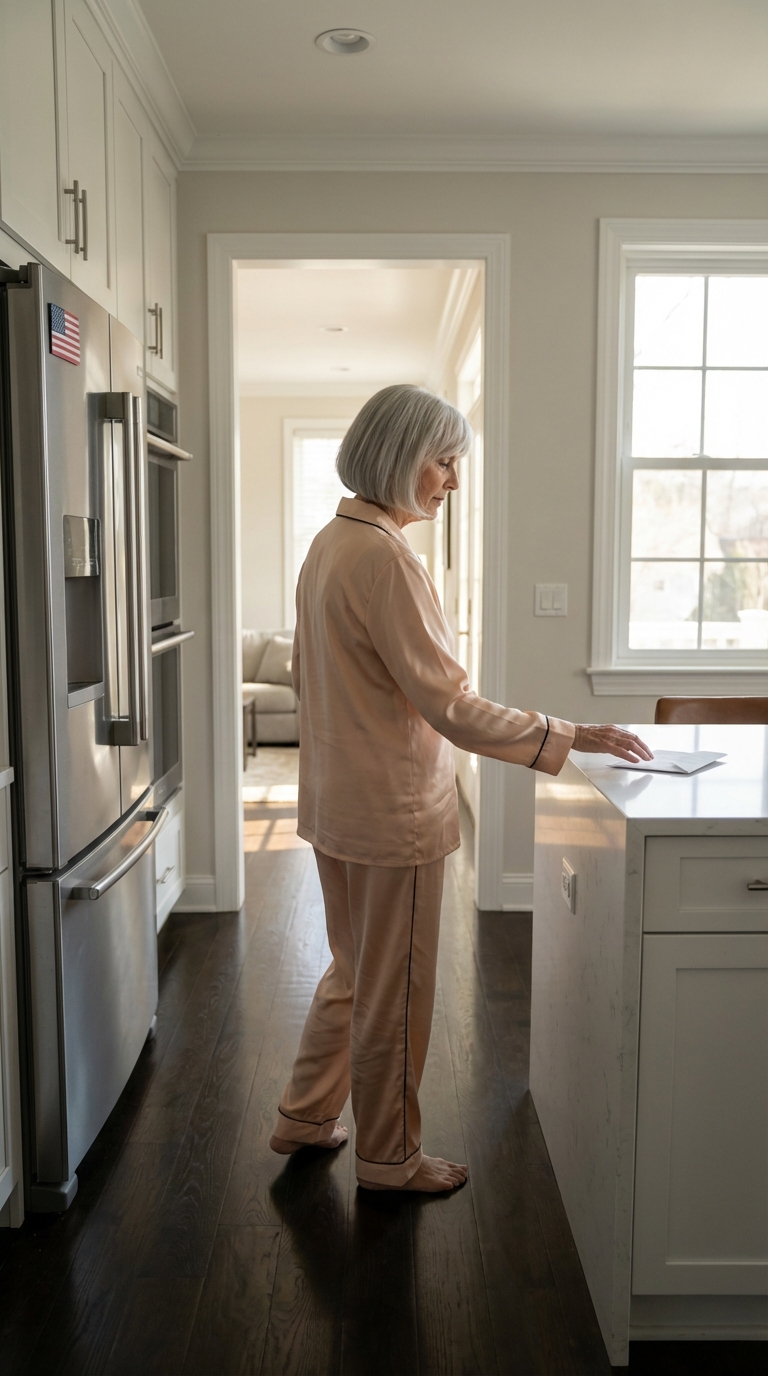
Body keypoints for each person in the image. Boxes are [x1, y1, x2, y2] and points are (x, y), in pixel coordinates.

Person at [270, 384, 652, 1193]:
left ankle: (304, 1115)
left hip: (336, 803)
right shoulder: (387, 560)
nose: (451, 478)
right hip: (393, 813)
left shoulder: (329, 543)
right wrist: (569, 734)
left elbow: (316, 677)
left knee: (351, 970)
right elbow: (450, 706)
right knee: (396, 991)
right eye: (443, 460)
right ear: (400, 456)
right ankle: (388, 1158)